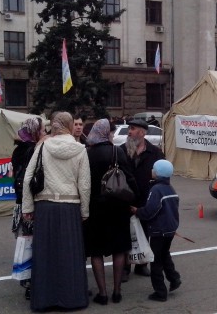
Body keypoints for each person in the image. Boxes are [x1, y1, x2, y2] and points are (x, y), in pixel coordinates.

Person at [22, 112, 91, 311]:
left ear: (53, 125)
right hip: (70, 207)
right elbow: (84, 184)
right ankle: (72, 299)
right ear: (70, 125)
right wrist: (84, 211)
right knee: (70, 254)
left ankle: (44, 300)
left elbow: (28, 178)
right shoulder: (80, 149)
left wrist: (28, 207)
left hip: (44, 207)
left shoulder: (43, 146)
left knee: (45, 254)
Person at [84, 119, 138, 305]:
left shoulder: (88, 154)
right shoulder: (118, 151)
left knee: (96, 251)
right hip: (118, 206)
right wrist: (134, 201)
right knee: (119, 248)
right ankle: (117, 291)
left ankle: (103, 293)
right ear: (107, 132)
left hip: (95, 207)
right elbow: (130, 179)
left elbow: (84, 183)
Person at [119, 118, 165, 280]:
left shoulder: (155, 153)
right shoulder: (121, 150)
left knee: (144, 232)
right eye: (129, 128)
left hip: (146, 200)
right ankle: (125, 267)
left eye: (132, 128)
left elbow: (162, 177)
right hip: (125, 200)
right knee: (126, 234)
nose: (129, 131)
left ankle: (141, 265)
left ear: (143, 132)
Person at [131, 159, 181, 302]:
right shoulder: (170, 189)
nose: (151, 170)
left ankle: (160, 292)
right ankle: (174, 278)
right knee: (165, 254)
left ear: (157, 173)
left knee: (155, 261)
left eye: (153, 169)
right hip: (170, 230)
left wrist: (137, 211)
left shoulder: (156, 190)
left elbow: (150, 211)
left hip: (158, 231)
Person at [10, 117, 45, 299]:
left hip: (21, 203)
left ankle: (28, 280)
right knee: (35, 243)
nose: (44, 133)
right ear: (34, 132)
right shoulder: (34, 149)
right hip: (31, 203)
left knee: (27, 242)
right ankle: (34, 282)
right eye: (42, 130)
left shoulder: (18, 149)